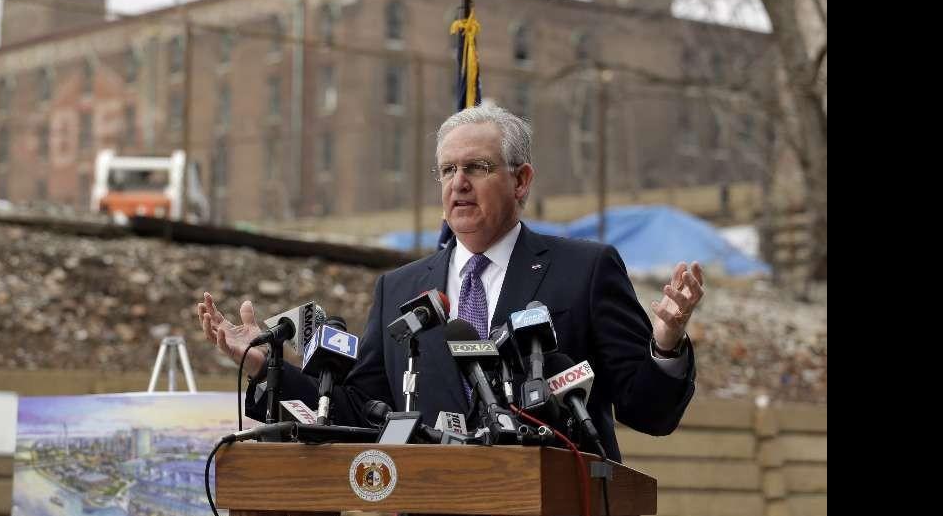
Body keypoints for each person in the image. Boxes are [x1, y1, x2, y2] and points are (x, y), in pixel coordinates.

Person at [196, 103, 703, 462]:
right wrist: (267, 367)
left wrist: (666, 343)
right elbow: (358, 410)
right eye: (447, 170)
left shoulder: (585, 270)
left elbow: (648, 411)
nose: (458, 182)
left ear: (521, 180)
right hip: (433, 498)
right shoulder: (399, 288)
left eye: (477, 167)